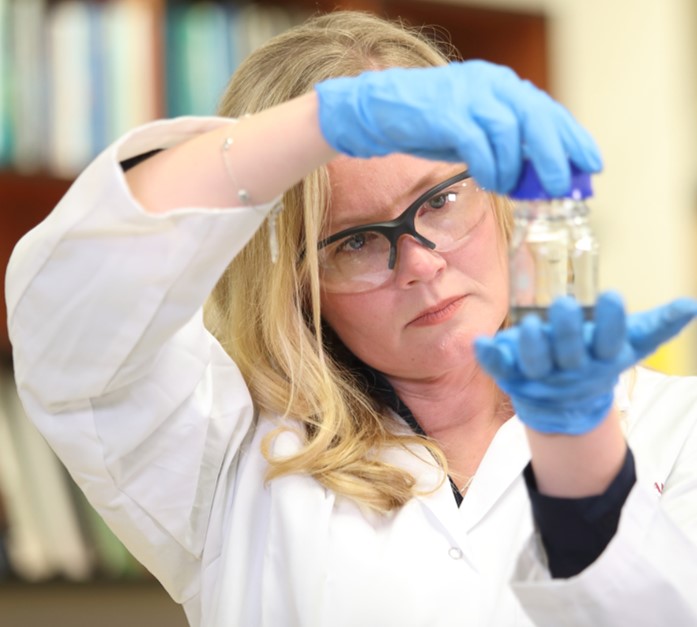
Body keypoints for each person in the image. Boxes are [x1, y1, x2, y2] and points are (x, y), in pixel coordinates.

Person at [6, 10, 697, 627]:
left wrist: (582, 463)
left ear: (495, 189)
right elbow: (72, 317)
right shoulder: (227, 449)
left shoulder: (675, 430)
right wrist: (325, 122)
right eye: (356, 240)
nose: (420, 264)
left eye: (440, 199)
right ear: (296, 283)